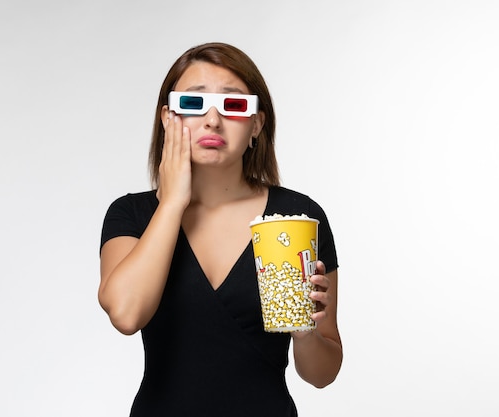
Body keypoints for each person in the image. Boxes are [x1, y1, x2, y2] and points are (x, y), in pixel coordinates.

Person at [98, 42, 342, 417]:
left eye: (234, 105)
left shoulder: (297, 217)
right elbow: (127, 314)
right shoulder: (132, 214)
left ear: (257, 122)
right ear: (167, 118)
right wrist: (173, 202)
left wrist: (305, 329)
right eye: (193, 104)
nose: (212, 120)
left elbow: (322, 375)